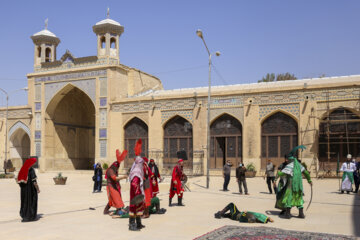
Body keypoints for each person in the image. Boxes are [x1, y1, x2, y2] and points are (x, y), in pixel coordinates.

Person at [275, 145, 312, 219]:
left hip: (290, 186)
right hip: (299, 186)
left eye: (288, 159)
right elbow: (306, 173)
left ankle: (288, 214)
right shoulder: (299, 165)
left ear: (290, 159)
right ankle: (301, 214)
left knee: (289, 197)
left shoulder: (289, 166)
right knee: (299, 198)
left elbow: (282, 173)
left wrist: (278, 173)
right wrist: (309, 180)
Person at [103, 150, 128, 215]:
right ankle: (115, 210)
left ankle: (116, 210)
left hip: (115, 186)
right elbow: (114, 178)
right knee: (116, 198)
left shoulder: (114, 170)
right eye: (117, 167)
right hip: (110, 186)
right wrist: (123, 177)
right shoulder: (110, 170)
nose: (117, 168)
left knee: (114, 198)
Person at [129, 139, 145, 231]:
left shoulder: (138, 171)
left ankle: (139, 224)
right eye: (141, 163)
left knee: (139, 208)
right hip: (135, 195)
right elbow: (135, 185)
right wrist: (139, 194)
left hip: (138, 195)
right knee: (133, 209)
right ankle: (132, 225)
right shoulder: (136, 172)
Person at [17, 157, 40, 222]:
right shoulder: (31, 170)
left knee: (24, 202)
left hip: (23, 190)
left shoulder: (23, 169)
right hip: (31, 190)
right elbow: (34, 181)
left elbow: (18, 180)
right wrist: (37, 189)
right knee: (31, 201)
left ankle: (24, 215)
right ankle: (30, 216)